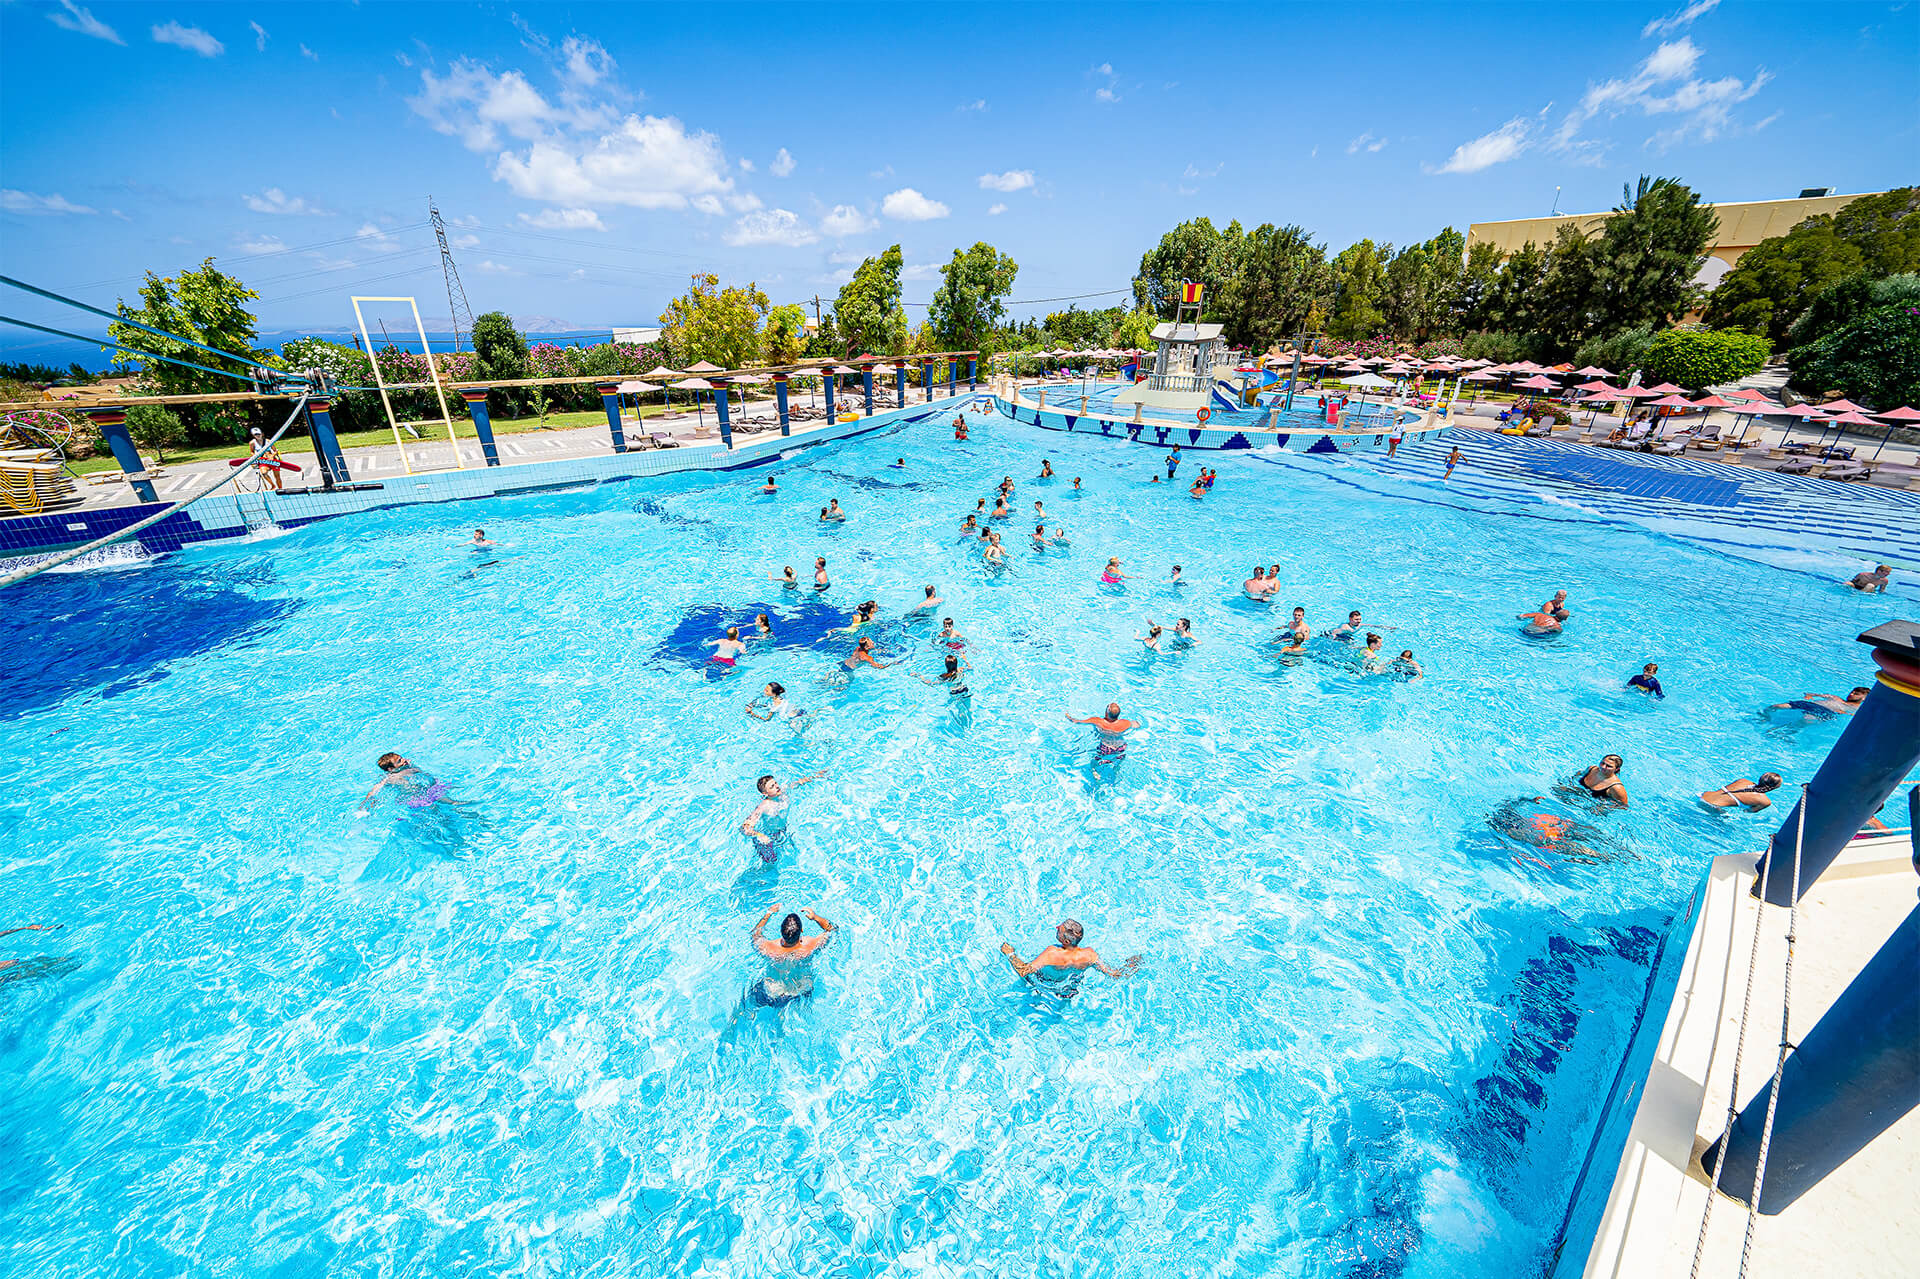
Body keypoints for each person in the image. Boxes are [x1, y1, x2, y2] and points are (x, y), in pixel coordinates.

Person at [999, 919, 1141, 999]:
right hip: (1066, 989)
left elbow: (1023, 971)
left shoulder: (1052, 953)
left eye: (1059, 930)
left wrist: (1010, 954)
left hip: (1042, 984)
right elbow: (1114, 974)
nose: (1056, 927)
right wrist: (1132, 965)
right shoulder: (1089, 955)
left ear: (1066, 941)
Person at [749, 904, 836, 1005]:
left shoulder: (768, 949)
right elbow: (832, 929)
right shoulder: (810, 947)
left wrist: (769, 913)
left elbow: (755, 934)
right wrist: (815, 917)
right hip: (799, 992)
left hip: (772, 992)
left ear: (781, 931)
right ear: (801, 930)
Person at [740, 770, 827, 859]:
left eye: (775, 783)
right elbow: (744, 828)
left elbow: (801, 782)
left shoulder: (784, 792)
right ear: (765, 793)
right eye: (772, 787)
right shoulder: (763, 807)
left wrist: (817, 775)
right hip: (770, 837)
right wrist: (760, 835)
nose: (777, 787)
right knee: (771, 862)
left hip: (784, 830)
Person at [358, 752, 459, 815]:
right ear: (391, 769)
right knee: (437, 811)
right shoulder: (390, 778)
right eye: (399, 761)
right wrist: (365, 805)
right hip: (415, 799)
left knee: (450, 803)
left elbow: (424, 774)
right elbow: (375, 791)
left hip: (425, 791)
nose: (404, 760)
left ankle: (459, 810)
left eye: (401, 758)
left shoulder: (408, 768)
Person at [1066, 702, 1141, 762]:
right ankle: (1116, 769)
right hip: (1121, 747)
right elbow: (1137, 725)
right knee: (1118, 760)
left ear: (1107, 712)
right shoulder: (1125, 723)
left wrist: (1068, 716)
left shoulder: (1097, 721)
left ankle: (1094, 771)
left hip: (1106, 747)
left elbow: (1077, 721)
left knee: (1095, 761)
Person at [1770, 687, 1870, 719]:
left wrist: (1844, 712)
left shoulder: (1857, 708)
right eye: (1852, 692)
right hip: (1811, 704)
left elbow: (1854, 716)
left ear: (1864, 698)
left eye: (1856, 694)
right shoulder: (1836, 698)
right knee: (1776, 706)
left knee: (1805, 720)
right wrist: (1809, 696)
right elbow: (1811, 693)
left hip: (1825, 712)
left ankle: (1787, 734)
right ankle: (1765, 716)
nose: (1851, 694)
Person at [1701, 773, 1785, 811]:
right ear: (1775, 787)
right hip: (1711, 807)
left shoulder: (1743, 780)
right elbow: (1747, 811)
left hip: (1702, 795)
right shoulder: (1765, 801)